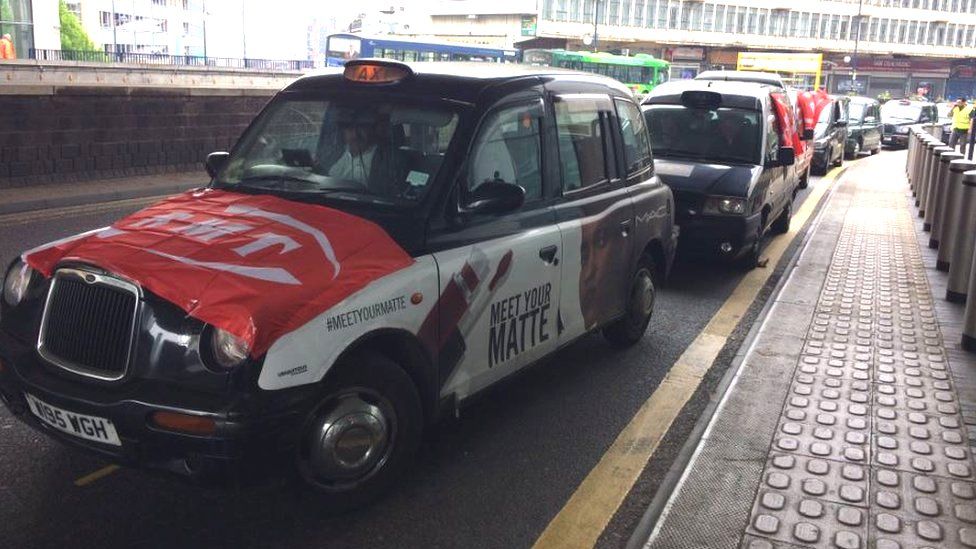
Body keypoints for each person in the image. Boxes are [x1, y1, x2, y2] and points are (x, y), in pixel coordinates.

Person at [325, 109, 406, 196]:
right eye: (349, 128)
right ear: (342, 131)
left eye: (361, 127)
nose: (355, 134)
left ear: (372, 129)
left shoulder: (389, 160)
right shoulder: (332, 154)